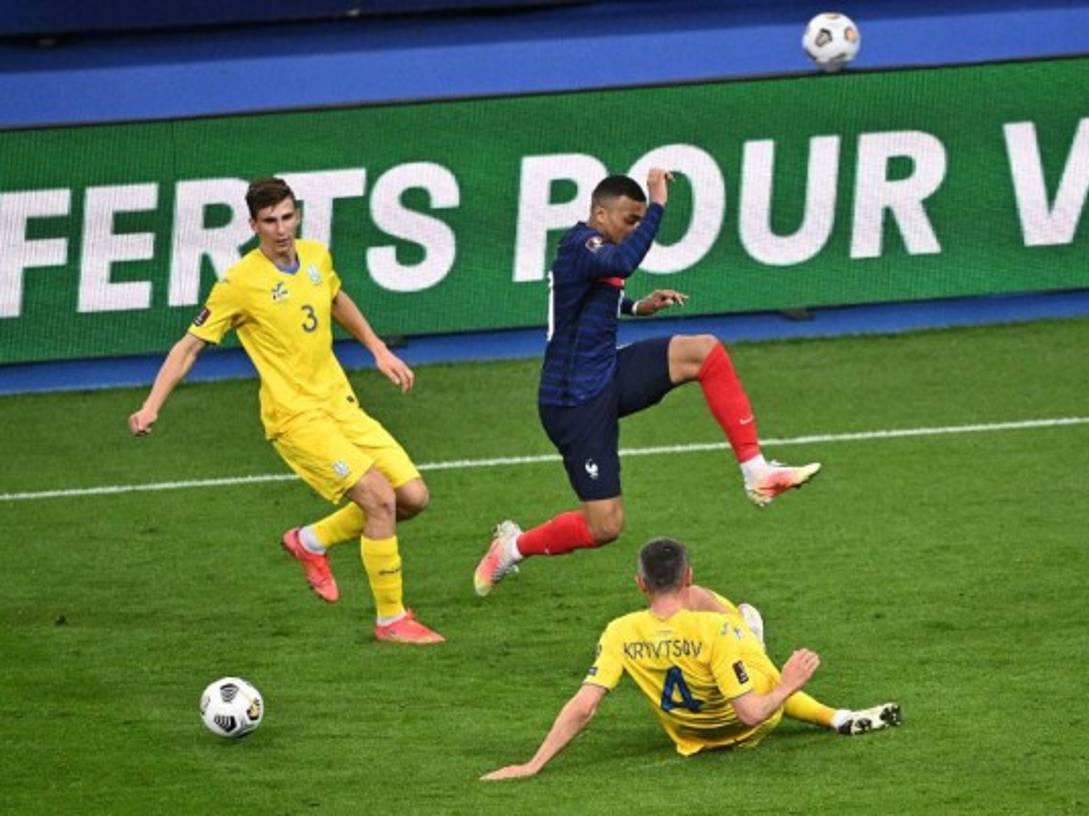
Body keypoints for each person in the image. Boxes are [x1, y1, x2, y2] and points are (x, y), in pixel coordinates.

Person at [128, 176, 444, 645]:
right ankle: (391, 620)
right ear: (253, 224)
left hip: (340, 404)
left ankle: (309, 541)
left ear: (297, 214)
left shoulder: (316, 256)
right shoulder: (239, 282)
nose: (281, 229)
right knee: (379, 498)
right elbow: (189, 347)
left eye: (288, 216)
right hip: (296, 418)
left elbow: (335, 298)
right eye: (270, 221)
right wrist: (151, 405)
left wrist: (377, 348)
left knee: (412, 498)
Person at [473, 170, 820, 596]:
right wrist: (657, 204)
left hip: (607, 372)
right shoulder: (583, 245)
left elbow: (596, 294)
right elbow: (619, 264)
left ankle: (757, 473)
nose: (634, 228)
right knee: (606, 526)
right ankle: (510, 549)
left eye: (639, 220)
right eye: (629, 219)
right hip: (574, 402)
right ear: (600, 213)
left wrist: (639, 305)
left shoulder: (595, 252)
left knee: (704, 352)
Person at [481, 537, 899, 780]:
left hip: (691, 738)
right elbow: (753, 713)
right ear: (688, 576)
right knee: (752, 655)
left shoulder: (619, 631)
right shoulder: (714, 631)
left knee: (727, 637)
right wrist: (790, 681)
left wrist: (532, 764)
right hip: (746, 726)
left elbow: (585, 706)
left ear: (639, 583)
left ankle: (836, 714)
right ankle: (830, 712)